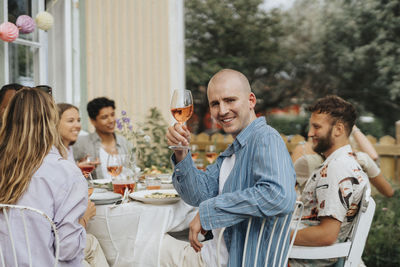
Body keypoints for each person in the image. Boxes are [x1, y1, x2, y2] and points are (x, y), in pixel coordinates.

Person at [162, 69, 296, 266]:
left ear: (251, 100)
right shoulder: (235, 150)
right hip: (217, 254)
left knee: (145, 245)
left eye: (230, 100)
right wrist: (181, 152)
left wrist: (209, 211)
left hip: (234, 261)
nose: (222, 111)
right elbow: (198, 195)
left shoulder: (265, 138)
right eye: (215, 104)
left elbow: (279, 195)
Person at [0, 87, 87, 266]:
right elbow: (67, 250)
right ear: (52, 122)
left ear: (7, 120)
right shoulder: (66, 173)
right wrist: (84, 221)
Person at [290, 95, 369, 266]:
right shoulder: (343, 163)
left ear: (338, 129)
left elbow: (327, 235)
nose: (310, 133)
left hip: (298, 259)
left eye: (316, 127)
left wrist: (275, 236)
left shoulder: (337, 168)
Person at [57, 103, 109, 267]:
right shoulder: (53, 160)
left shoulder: (68, 150)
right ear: (54, 123)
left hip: (61, 239)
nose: (77, 125)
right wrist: (85, 218)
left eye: (78, 120)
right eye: (70, 120)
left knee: (93, 241)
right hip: (57, 247)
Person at [73, 97, 133, 180]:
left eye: (112, 115)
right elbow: (69, 169)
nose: (111, 120)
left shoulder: (124, 142)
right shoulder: (82, 143)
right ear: (93, 121)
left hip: (124, 190)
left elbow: (133, 170)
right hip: (97, 192)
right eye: (104, 117)